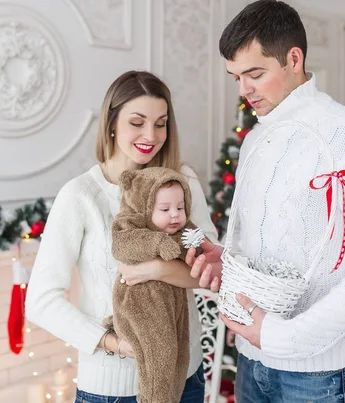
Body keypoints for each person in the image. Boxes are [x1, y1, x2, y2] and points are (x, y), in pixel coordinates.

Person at [188, 1, 345, 402]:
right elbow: (271, 243)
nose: (243, 90)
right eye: (235, 76)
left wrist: (284, 337)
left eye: (255, 73)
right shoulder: (254, 139)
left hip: (321, 374)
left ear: (293, 58)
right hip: (252, 361)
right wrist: (227, 258)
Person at [25, 70, 220, 403]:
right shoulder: (81, 196)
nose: (151, 134)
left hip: (184, 380)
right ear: (112, 123)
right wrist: (114, 344)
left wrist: (155, 270)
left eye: (161, 123)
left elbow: (210, 271)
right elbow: (40, 301)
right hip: (112, 390)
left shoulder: (181, 182)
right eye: (137, 122)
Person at [106, 167, 209, 403]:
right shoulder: (130, 222)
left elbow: (198, 246)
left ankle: (171, 395)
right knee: (159, 359)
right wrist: (157, 242)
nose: (175, 215)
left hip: (174, 307)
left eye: (180, 208)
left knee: (179, 354)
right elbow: (121, 245)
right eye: (165, 209)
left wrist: (199, 250)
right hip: (143, 306)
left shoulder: (182, 229)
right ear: (145, 205)